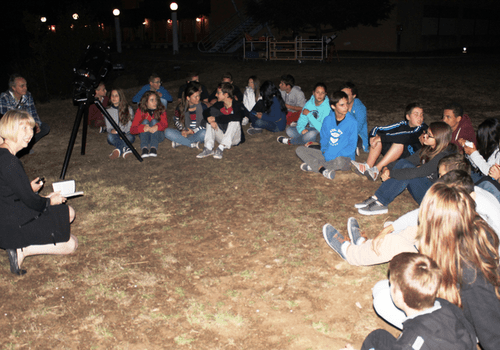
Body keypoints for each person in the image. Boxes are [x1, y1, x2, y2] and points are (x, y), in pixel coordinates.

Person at [372, 183, 500, 350]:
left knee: (383, 299)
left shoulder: (471, 275)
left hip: (461, 330)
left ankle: (424, 337)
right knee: (382, 289)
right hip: (452, 307)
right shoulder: (468, 230)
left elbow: (492, 333)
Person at [323, 167, 500, 266]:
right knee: (415, 228)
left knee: (395, 244)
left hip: (455, 271)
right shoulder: (463, 196)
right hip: (449, 253)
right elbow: (424, 214)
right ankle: (366, 246)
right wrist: (388, 229)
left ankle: (350, 253)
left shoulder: (489, 217)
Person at [340, 253, 476, 350]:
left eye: (391, 284)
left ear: (399, 296)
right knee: (378, 337)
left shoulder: (409, 342)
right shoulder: (447, 306)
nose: (389, 286)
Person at [0, 110, 78, 276]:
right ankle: (22, 249)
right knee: (71, 242)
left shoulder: (3, 156)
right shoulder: (10, 163)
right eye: (24, 129)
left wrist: (28, 188)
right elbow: (30, 201)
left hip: (6, 217)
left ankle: (21, 245)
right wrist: (49, 201)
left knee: (68, 215)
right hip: (13, 223)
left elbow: (7, 191)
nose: (30, 134)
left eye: (31, 129)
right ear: (10, 129)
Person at [355, 121, 455, 215]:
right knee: (404, 163)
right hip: (424, 187)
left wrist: (391, 174)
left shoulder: (444, 156)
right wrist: (386, 168)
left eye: (429, 135)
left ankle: (381, 203)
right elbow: (408, 160)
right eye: (426, 133)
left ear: (439, 138)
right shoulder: (428, 148)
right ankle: (377, 197)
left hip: (434, 198)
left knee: (409, 170)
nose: (425, 136)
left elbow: (419, 172)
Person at [351, 103, 427, 181]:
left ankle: (376, 170)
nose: (420, 118)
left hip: (410, 158)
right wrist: (373, 136)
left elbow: (405, 137)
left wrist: (381, 138)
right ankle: (368, 166)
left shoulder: (422, 128)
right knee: (378, 137)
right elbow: (378, 129)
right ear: (408, 117)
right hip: (395, 154)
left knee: (398, 142)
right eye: (416, 114)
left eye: (421, 115)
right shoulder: (402, 124)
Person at [295, 90, 357, 180]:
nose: (346, 107)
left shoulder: (352, 122)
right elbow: (324, 139)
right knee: (299, 150)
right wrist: (324, 151)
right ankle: (323, 169)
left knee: (339, 161)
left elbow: (352, 146)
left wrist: (335, 154)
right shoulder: (327, 120)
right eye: (342, 105)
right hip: (327, 154)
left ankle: (315, 166)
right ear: (333, 106)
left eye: (347, 104)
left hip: (343, 157)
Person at [196, 83, 245, 160]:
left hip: (234, 138)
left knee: (235, 120)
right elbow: (206, 111)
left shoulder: (237, 105)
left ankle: (220, 148)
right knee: (210, 120)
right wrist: (210, 119)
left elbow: (238, 117)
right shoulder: (219, 104)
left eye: (218, 93)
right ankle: (208, 148)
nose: (216, 95)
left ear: (226, 94)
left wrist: (216, 119)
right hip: (222, 136)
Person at [0, 74, 50, 149]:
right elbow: (7, 120)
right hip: (12, 128)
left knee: (45, 127)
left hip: (25, 126)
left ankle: (26, 147)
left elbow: (33, 113)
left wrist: (36, 124)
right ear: (13, 87)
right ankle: (14, 148)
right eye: (22, 86)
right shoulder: (4, 97)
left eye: (26, 85)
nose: (25, 88)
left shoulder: (28, 95)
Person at [164, 82, 207, 149]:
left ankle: (180, 142)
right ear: (188, 98)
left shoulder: (203, 107)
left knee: (204, 133)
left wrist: (192, 131)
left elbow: (205, 124)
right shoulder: (180, 107)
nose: (198, 98)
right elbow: (177, 121)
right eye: (195, 96)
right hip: (184, 133)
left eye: (198, 95)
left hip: (197, 133)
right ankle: (191, 144)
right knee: (167, 132)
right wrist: (182, 130)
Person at [130, 91, 168, 158]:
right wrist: (142, 128)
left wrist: (157, 126)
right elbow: (132, 129)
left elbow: (165, 124)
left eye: (156, 99)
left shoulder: (161, 108)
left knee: (154, 121)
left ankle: (153, 148)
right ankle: (144, 148)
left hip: (158, 136)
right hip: (145, 136)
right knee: (144, 122)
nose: (155, 102)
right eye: (152, 100)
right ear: (146, 102)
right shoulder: (140, 111)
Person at [105, 89, 135, 159]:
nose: (113, 98)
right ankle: (126, 149)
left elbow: (130, 126)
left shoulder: (128, 109)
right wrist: (112, 130)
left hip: (127, 133)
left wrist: (123, 134)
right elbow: (108, 127)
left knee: (130, 137)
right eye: (112, 96)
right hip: (115, 135)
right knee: (110, 137)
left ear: (121, 97)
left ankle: (118, 150)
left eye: (116, 96)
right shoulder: (108, 111)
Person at [340, 82, 368, 154]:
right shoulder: (338, 105)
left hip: (357, 136)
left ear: (354, 95)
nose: (344, 97)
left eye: (347, 95)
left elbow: (357, 128)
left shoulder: (360, 108)